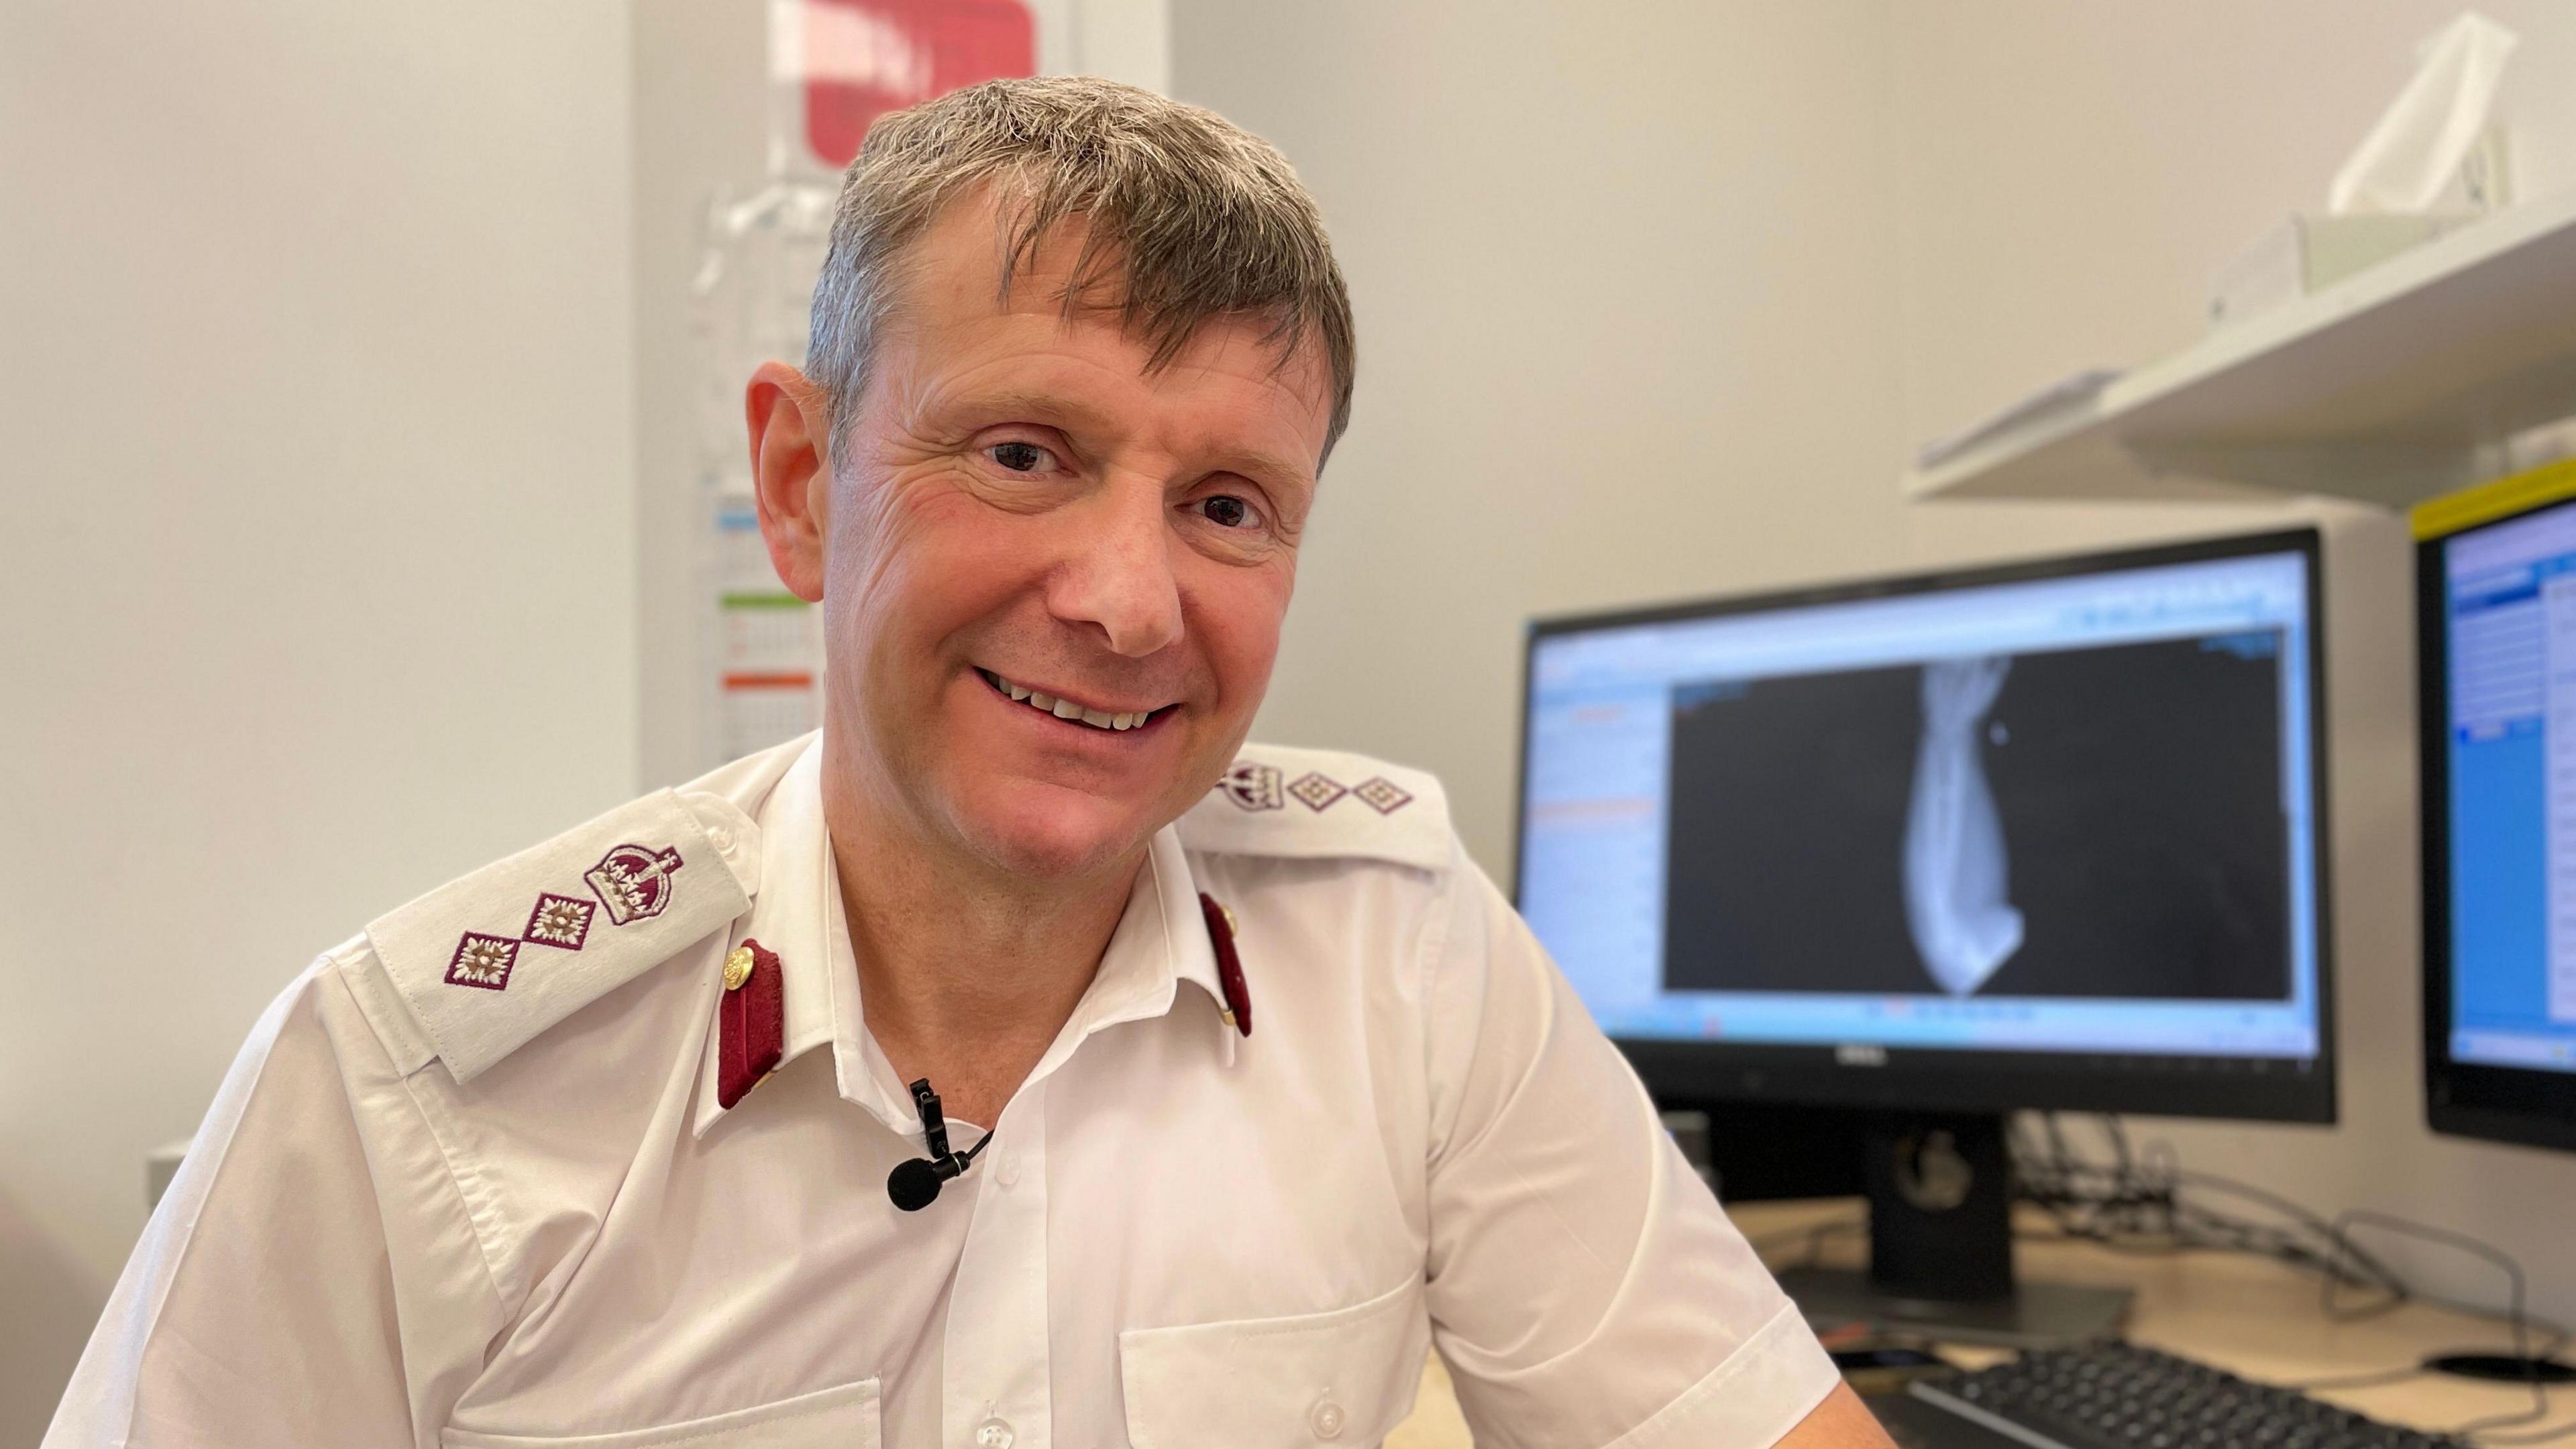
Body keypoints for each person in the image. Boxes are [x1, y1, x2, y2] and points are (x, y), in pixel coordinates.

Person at [46, 76, 1893, 1449]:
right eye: (1022, 453)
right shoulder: (417, 1091)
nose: (1125, 599)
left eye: (1229, 504)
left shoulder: (1398, 959)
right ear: (799, 485)